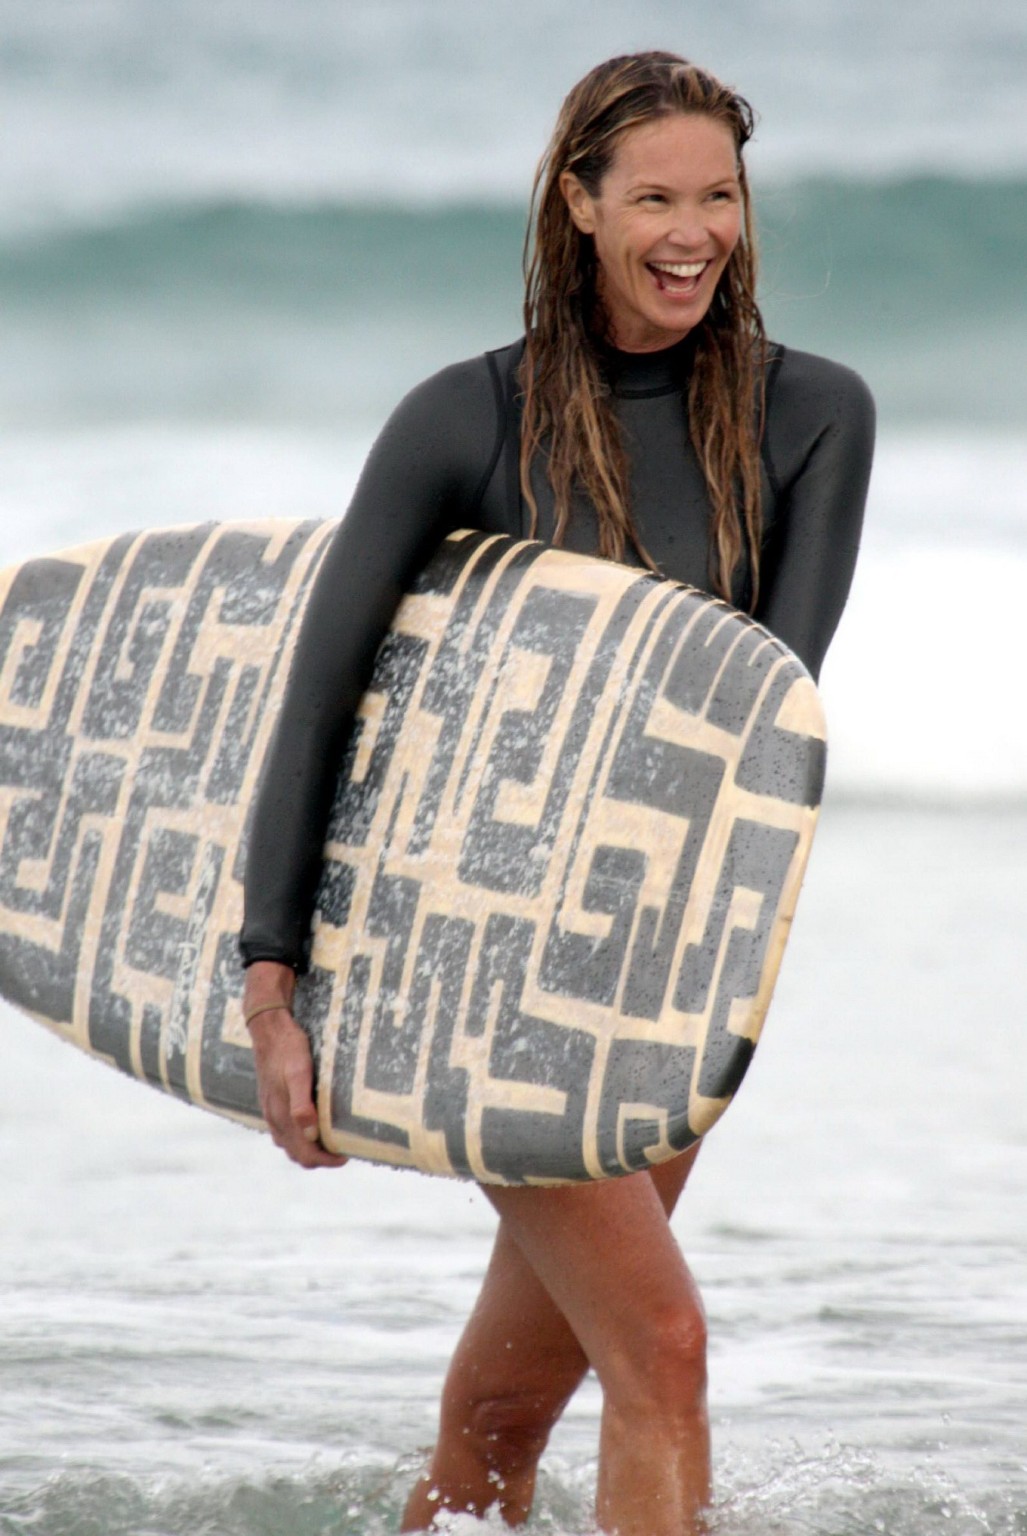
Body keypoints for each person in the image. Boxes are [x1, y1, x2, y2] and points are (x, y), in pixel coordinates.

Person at [239, 51, 875, 1536]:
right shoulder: (466, 419)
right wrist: (273, 986)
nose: (692, 229)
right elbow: (319, 698)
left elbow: (761, 724)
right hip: (476, 961)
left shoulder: (814, 418)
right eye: (652, 194)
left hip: (667, 971)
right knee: (662, 1349)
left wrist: (705, 987)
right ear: (578, 203)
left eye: (719, 194)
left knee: (505, 1420)